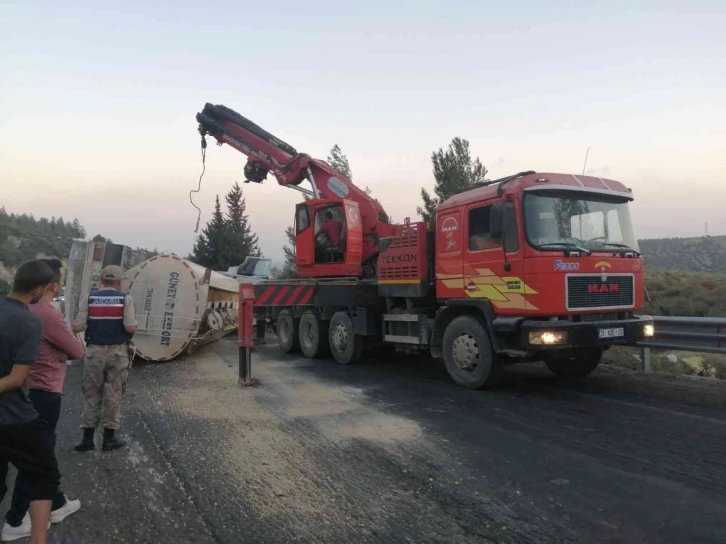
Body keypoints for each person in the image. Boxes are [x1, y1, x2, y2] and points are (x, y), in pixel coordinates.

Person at [3, 259, 83, 540]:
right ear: (41, 288)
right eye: (56, 283)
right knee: (41, 467)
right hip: (27, 402)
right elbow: (15, 379)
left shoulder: (10, 310)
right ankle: (22, 527)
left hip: (18, 402)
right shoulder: (36, 317)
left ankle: (53, 507)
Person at [0, 260, 62, 544]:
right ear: (38, 290)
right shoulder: (28, 321)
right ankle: (39, 539)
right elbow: (15, 379)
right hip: (12, 415)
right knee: (44, 473)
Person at [71, 265, 137, 452]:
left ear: (102, 280)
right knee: (113, 393)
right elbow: (130, 327)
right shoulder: (126, 299)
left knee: (92, 393)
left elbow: (77, 327)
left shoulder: (89, 299)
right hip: (118, 352)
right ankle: (109, 439)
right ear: (119, 281)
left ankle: (87, 440)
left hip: (94, 352)